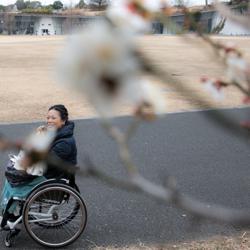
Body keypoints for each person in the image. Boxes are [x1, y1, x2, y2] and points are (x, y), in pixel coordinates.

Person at [0, 104, 78, 224]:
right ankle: (9, 212)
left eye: (53, 118)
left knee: (16, 182)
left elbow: (47, 161)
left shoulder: (65, 143)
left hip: (52, 177)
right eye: (48, 118)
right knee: (12, 176)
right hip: (49, 172)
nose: (49, 121)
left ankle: (10, 214)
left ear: (63, 120)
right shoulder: (56, 134)